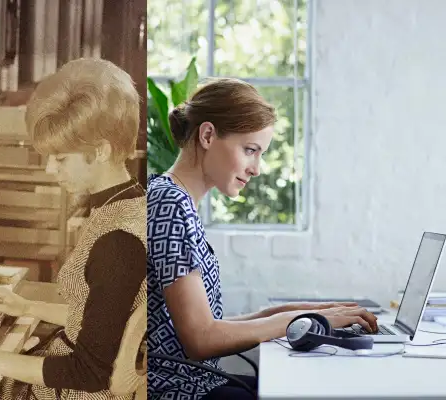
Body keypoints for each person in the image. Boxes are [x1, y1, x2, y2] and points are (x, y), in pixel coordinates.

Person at [0, 58, 147, 400]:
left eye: (61, 158)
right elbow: (101, 319)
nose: (50, 170)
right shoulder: (130, 204)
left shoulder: (118, 242)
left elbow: (87, 372)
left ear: (101, 151)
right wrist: (26, 308)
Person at [146, 77, 378, 400]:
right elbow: (200, 338)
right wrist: (301, 319)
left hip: (197, 385)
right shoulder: (170, 204)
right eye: (250, 150)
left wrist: (315, 312)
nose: (256, 168)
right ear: (208, 135)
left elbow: (211, 324)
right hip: (181, 392)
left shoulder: (176, 199)